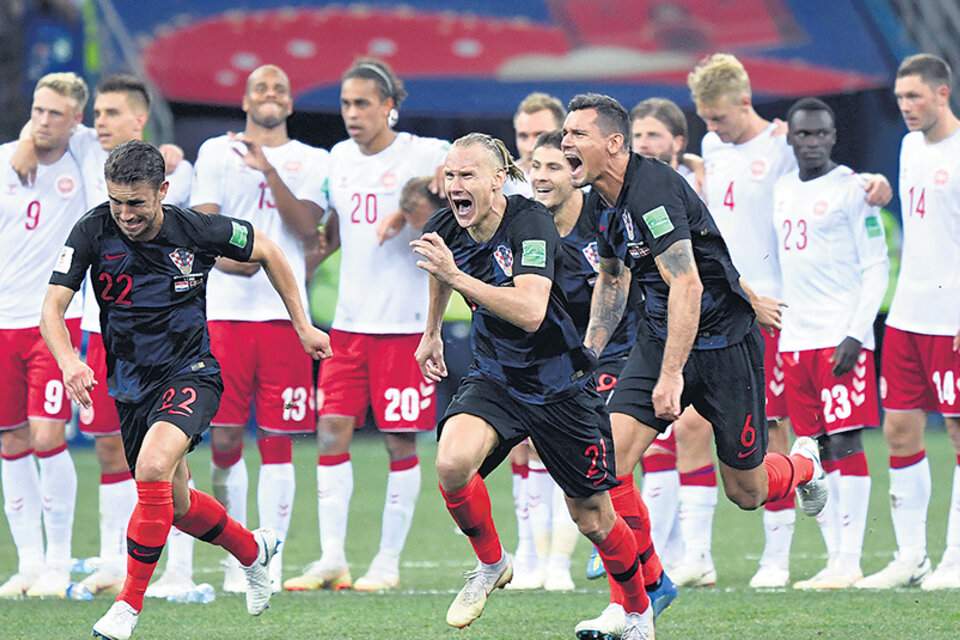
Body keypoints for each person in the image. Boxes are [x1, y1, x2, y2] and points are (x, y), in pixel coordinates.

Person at [40, 139, 332, 639]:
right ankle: (252, 550)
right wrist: (68, 360)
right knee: (172, 505)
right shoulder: (92, 229)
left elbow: (269, 249)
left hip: (191, 372)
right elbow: (51, 308)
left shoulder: (194, 228)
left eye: (136, 202)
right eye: (117, 201)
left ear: (163, 191)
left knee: (153, 467)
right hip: (129, 385)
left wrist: (302, 324)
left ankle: (126, 609)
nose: (126, 214)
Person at [562, 93, 828, 637]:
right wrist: (585, 356)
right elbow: (614, 280)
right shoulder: (598, 200)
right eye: (564, 135)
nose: (566, 143)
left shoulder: (653, 190)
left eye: (576, 135)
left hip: (724, 345)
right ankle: (639, 597)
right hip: (660, 340)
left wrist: (670, 376)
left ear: (614, 143)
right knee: (606, 466)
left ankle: (803, 465)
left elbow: (688, 283)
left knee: (747, 492)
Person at [413, 132, 655, 639]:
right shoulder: (447, 225)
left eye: (467, 176)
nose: (455, 185)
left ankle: (637, 612)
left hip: (557, 383)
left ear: (498, 180)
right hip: (497, 376)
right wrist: (432, 332)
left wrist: (456, 277)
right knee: (453, 463)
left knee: (593, 518)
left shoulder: (530, 221)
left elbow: (529, 311)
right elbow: (439, 269)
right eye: (450, 175)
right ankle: (491, 563)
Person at [687, 53, 891, 587]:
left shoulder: (781, 144)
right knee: (758, 436)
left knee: (788, 434)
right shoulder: (713, 147)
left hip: (779, 312)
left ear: (745, 102)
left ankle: (807, 559)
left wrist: (872, 183)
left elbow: (826, 175)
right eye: (706, 120)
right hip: (731, 313)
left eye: (719, 118)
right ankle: (788, 558)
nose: (712, 129)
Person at [10, 72, 198, 598]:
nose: (99, 123)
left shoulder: (169, 175)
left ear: (138, 118)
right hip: (103, 330)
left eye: (110, 114)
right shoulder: (92, 155)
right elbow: (49, 122)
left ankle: (179, 570)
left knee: (167, 456)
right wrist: (27, 138)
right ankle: (118, 559)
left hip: (165, 338)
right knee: (112, 451)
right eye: (96, 116)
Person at [283, 57, 448, 593]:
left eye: (362, 104)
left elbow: (478, 180)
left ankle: (387, 562)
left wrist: (419, 200)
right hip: (348, 326)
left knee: (401, 442)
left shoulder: (423, 152)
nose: (352, 114)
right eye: (345, 104)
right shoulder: (338, 158)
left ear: (389, 106)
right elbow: (327, 230)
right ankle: (332, 558)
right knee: (331, 430)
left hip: (405, 325)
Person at [190, 64, 329, 593]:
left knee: (279, 440)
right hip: (225, 312)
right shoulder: (213, 151)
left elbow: (305, 227)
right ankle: (236, 554)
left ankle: (270, 559)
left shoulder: (310, 159)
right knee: (224, 436)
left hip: (283, 320)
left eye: (279, 88)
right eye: (261, 88)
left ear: (290, 103)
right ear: (245, 99)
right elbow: (204, 224)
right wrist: (230, 262)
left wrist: (268, 170)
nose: (270, 95)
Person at [531, 129, 680, 611]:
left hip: (622, 349)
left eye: (554, 166)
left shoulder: (603, 213)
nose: (542, 176)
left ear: (575, 173)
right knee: (594, 468)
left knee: (609, 463)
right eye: (535, 166)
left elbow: (628, 275)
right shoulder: (527, 223)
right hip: (565, 360)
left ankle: (632, 585)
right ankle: (647, 577)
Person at [774, 97, 888, 589]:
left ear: (834, 136)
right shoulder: (781, 190)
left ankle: (850, 559)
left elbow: (877, 265)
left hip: (839, 338)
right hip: (795, 339)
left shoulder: (854, 191)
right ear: (791, 138)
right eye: (804, 134)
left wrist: (856, 333)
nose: (813, 142)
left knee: (844, 441)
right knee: (811, 448)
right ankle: (833, 560)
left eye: (822, 134)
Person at [858, 53, 960, 590]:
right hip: (908, 315)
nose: (906, 107)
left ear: (943, 93)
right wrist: (883, 187)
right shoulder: (907, 146)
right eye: (899, 98)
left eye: (915, 96)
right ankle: (911, 556)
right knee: (898, 429)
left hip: (952, 316)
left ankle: (956, 559)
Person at [0, 72, 86, 599]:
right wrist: (27, 142)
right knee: (10, 439)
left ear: (76, 120)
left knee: (48, 436)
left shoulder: (84, 161)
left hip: (53, 324)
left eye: (56, 114)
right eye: (38, 110)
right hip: (1, 321)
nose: (43, 121)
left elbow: (122, 136)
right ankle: (27, 563)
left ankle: (59, 561)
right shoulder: (4, 159)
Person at [630, 97, 719, 586]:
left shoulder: (701, 185)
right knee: (656, 443)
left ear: (678, 143)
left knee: (702, 440)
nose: (644, 144)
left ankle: (696, 553)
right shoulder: (626, 192)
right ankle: (664, 551)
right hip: (651, 325)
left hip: (711, 324)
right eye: (638, 135)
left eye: (654, 136)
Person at [503, 91, 567, 589]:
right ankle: (529, 552)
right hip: (520, 339)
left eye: (539, 136)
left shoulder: (573, 192)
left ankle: (560, 561)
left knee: (561, 448)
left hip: (571, 343)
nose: (527, 148)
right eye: (521, 136)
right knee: (520, 447)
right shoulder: (507, 194)